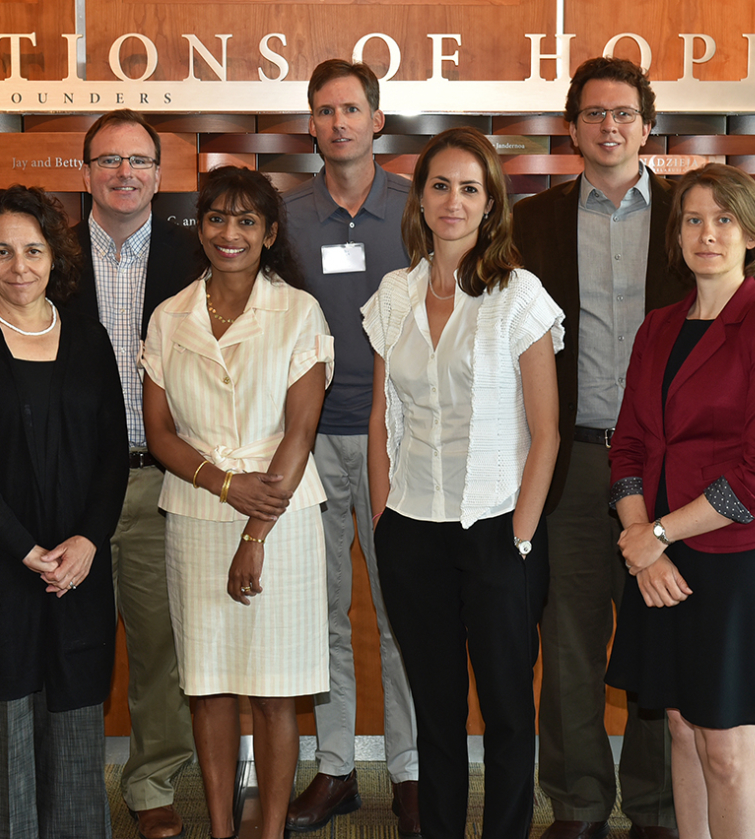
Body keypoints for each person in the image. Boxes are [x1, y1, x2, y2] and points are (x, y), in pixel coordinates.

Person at [363, 126, 562, 839]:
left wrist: (520, 537)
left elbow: (547, 432)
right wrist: (385, 520)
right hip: (412, 532)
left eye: (470, 188)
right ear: (420, 198)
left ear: (491, 204)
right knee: (438, 713)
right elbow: (382, 419)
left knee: (509, 711)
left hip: (497, 532)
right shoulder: (393, 295)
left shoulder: (518, 296)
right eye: (440, 185)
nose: (453, 201)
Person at [605, 163, 755, 839]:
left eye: (724, 219)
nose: (707, 233)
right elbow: (629, 445)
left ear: (753, 234)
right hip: (661, 554)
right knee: (679, 729)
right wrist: (641, 538)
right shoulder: (658, 328)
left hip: (737, 561)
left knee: (724, 747)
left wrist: (654, 534)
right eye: (693, 218)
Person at [510, 56, 687, 839]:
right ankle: (579, 802)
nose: (609, 126)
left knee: (660, 638)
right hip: (575, 458)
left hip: (670, 464)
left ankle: (655, 805)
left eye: (624, 113)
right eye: (593, 113)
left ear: (647, 125)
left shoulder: (695, 210)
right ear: (571, 126)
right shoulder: (532, 220)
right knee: (571, 638)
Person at [0, 186, 129, 838]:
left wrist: (88, 542)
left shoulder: (90, 340)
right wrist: (27, 550)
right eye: (2, 251)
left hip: (78, 572)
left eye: (33, 250)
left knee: (74, 749)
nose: (19, 266)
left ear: (55, 255)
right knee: (2, 753)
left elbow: (110, 457)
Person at [141, 166, 333, 839]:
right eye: (217, 218)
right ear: (201, 227)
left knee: (277, 688)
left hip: (282, 516)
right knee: (209, 683)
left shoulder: (299, 311)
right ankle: (222, 829)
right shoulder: (170, 316)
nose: (230, 232)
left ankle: (271, 828)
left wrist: (253, 532)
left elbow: (300, 430)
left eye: (247, 220)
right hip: (195, 512)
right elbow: (160, 433)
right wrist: (224, 484)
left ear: (270, 233)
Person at [281, 59, 420, 836]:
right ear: (312, 123)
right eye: (325, 110)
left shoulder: (417, 205)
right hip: (307, 441)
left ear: (377, 120)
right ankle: (335, 766)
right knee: (321, 612)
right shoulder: (285, 213)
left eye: (352, 109)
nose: (339, 122)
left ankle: (410, 768)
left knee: (403, 611)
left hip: (400, 440)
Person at [63, 109, 198, 839]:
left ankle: (151, 783)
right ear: (85, 173)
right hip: (68, 487)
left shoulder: (192, 257)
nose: (124, 173)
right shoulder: (46, 254)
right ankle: (72, 782)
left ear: (158, 174)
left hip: (158, 481)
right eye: (109, 160)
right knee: (70, 645)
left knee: (159, 647)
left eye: (139, 161)